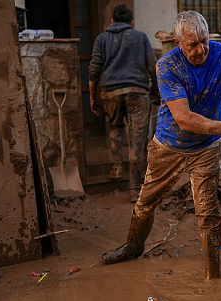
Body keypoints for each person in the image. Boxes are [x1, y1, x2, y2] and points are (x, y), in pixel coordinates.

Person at [101, 11, 221, 280]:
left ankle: (211, 274)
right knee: (145, 204)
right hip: (168, 145)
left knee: (207, 211)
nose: (200, 49)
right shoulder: (167, 66)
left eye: (204, 41)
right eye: (192, 45)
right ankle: (133, 248)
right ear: (178, 43)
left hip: (206, 147)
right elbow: (184, 119)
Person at [89, 4, 158, 203]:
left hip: (110, 92)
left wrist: (93, 98)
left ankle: (116, 166)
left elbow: (94, 70)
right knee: (137, 141)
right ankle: (134, 188)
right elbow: (153, 67)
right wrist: (154, 91)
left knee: (115, 127)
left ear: (112, 21)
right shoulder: (140, 37)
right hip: (137, 92)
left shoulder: (102, 38)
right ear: (131, 22)